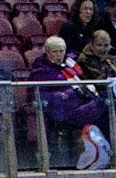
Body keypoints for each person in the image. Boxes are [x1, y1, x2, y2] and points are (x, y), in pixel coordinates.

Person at [29, 35, 111, 167]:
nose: (59, 54)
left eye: (62, 51)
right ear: (48, 52)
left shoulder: (69, 64)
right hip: (61, 111)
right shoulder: (40, 70)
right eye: (55, 51)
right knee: (105, 104)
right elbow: (40, 94)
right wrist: (64, 95)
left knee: (109, 103)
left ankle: (111, 153)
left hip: (80, 104)